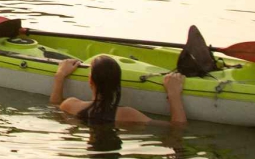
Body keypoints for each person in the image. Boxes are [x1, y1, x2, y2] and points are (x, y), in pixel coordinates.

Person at [50, 54, 187, 126]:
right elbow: (177, 126)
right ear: (118, 82)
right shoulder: (128, 114)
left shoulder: (71, 105)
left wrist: (60, 76)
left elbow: (55, 105)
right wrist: (174, 94)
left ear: (90, 81)